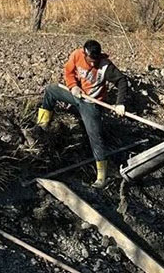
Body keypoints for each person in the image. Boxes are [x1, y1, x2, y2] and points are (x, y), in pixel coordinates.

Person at [36, 40, 129, 188]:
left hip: (92, 104)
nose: (93, 64)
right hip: (76, 94)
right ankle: (41, 126)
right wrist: (73, 86)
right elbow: (68, 71)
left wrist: (120, 103)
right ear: (85, 54)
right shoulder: (76, 55)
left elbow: (122, 80)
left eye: (95, 61)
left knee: (95, 137)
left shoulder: (105, 65)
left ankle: (101, 177)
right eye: (90, 60)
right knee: (51, 90)